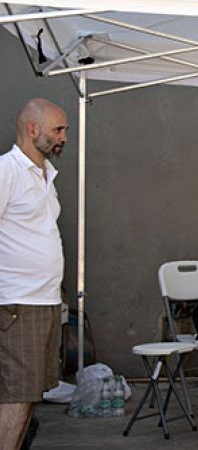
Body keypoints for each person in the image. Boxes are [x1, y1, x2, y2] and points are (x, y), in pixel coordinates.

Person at [0, 99, 69, 450]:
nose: (64, 138)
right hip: (18, 303)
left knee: (30, 396)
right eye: (58, 130)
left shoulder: (45, 175)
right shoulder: (7, 171)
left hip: (44, 301)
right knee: (15, 396)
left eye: (65, 130)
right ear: (32, 129)